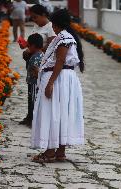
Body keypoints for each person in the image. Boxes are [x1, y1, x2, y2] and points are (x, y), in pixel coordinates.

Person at [31, 9, 85, 163]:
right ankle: (60, 152)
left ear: (56, 23)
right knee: (61, 113)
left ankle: (50, 152)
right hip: (63, 79)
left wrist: (50, 83)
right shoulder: (64, 36)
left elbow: (60, 61)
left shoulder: (64, 38)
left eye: (53, 23)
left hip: (59, 79)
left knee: (53, 113)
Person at [19, 4, 56, 126]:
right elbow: (33, 41)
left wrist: (34, 50)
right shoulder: (36, 26)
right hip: (32, 59)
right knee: (31, 90)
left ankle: (35, 117)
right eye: (32, 18)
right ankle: (29, 115)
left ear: (43, 15)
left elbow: (51, 47)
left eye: (36, 17)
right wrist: (25, 45)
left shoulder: (50, 27)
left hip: (41, 63)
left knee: (36, 92)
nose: (34, 20)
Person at [25, 33, 44, 128]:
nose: (27, 48)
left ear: (33, 46)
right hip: (38, 83)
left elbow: (35, 71)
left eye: (28, 45)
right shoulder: (42, 55)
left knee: (33, 101)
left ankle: (33, 120)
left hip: (33, 83)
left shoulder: (34, 58)